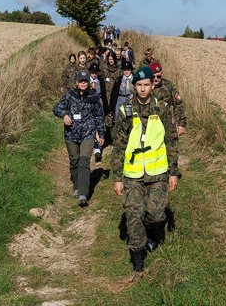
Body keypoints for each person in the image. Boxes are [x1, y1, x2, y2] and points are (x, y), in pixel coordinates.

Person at [111, 66, 179, 277]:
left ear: (152, 85)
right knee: (134, 214)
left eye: (146, 85)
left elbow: (172, 141)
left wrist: (173, 172)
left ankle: (151, 232)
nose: (142, 89)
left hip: (157, 173)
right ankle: (138, 262)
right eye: (139, 85)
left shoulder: (163, 109)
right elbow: (118, 146)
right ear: (134, 86)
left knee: (156, 215)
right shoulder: (125, 111)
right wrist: (117, 177)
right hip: (132, 175)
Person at [53, 71, 104, 206]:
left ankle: (83, 194)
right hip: (71, 134)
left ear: (89, 82)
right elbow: (56, 108)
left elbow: (99, 116)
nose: (83, 83)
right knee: (74, 160)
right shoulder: (70, 95)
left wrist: (101, 134)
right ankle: (76, 186)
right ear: (77, 82)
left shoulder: (94, 96)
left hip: (88, 134)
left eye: (85, 81)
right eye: (81, 80)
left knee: (84, 161)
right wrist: (64, 115)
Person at [150, 62, 186, 136]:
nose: (156, 79)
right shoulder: (145, 86)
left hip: (166, 124)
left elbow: (178, 104)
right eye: (153, 77)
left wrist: (181, 124)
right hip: (149, 124)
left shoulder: (168, 86)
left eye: (158, 76)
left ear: (162, 74)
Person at [88, 62, 108, 161]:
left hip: (98, 103)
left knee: (98, 124)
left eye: (96, 73)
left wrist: (106, 108)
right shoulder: (86, 81)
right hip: (88, 104)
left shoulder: (100, 81)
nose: (94, 74)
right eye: (92, 73)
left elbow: (104, 94)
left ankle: (98, 148)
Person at [110, 59, 134, 124]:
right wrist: (112, 107)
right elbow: (114, 93)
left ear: (131, 70)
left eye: (128, 70)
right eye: (124, 70)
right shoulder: (119, 79)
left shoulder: (135, 78)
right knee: (118, 117)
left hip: (131, 99)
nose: (126, 72)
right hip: (120, 99)